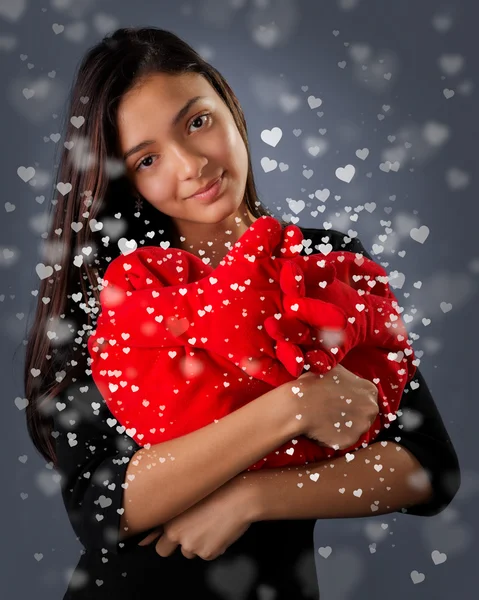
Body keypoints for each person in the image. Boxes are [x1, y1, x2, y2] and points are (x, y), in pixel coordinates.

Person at [23, 27, 461, 599]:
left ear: (230, 108)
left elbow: (427, 470)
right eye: (149, 158)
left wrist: (250, 500)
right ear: (127, 180)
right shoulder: (116, 294)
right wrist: (295, 405)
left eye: (197, 122)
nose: (190, 166)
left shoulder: (327, 262)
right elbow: (104, 509)